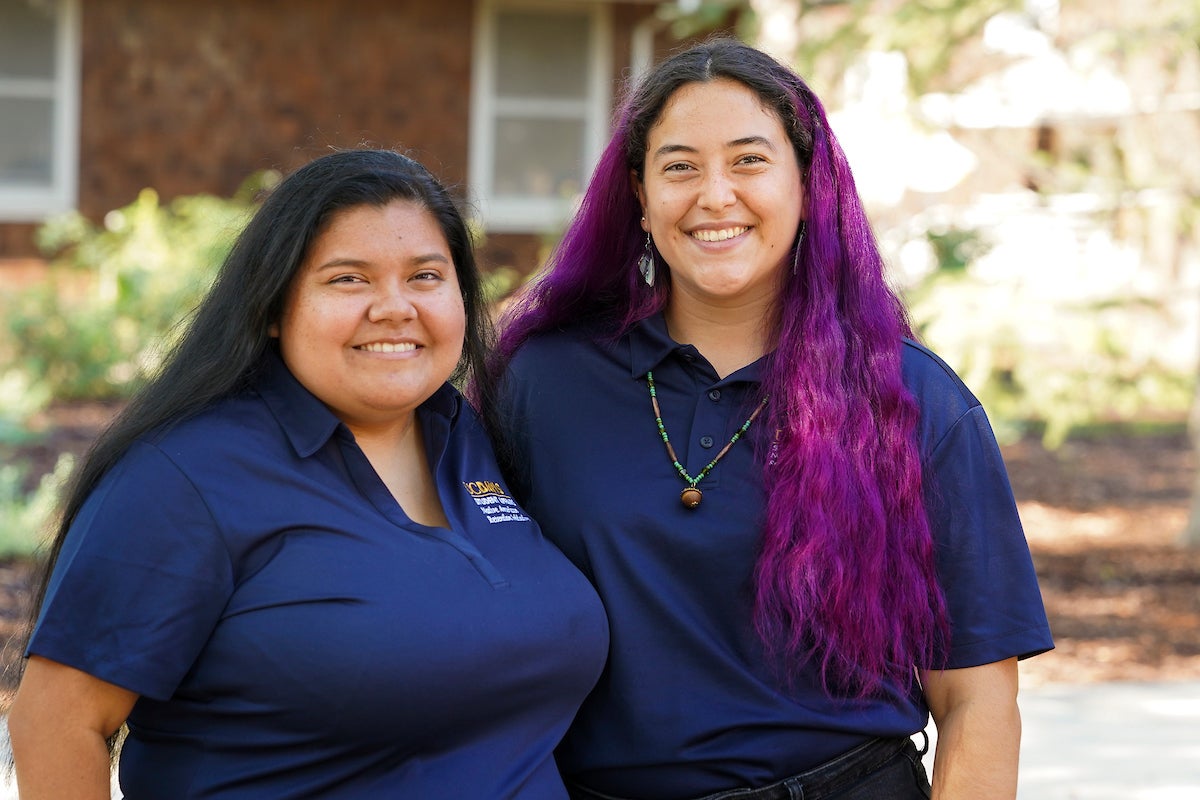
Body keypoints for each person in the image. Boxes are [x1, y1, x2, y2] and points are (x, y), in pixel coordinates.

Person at [485, 38, 1053, 800]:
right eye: (680, 166)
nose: (715, 195)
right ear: (641, 198)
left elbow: (976, 698)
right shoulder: (541, 384)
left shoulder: (913, 403)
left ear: (808, 184)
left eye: (749, 161)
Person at [7, 149, 609, 799]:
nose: (394, 307)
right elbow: (57, 721)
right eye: (349, 279)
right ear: (273, 307)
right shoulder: (187, 478)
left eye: (426, 277)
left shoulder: (470, 441)